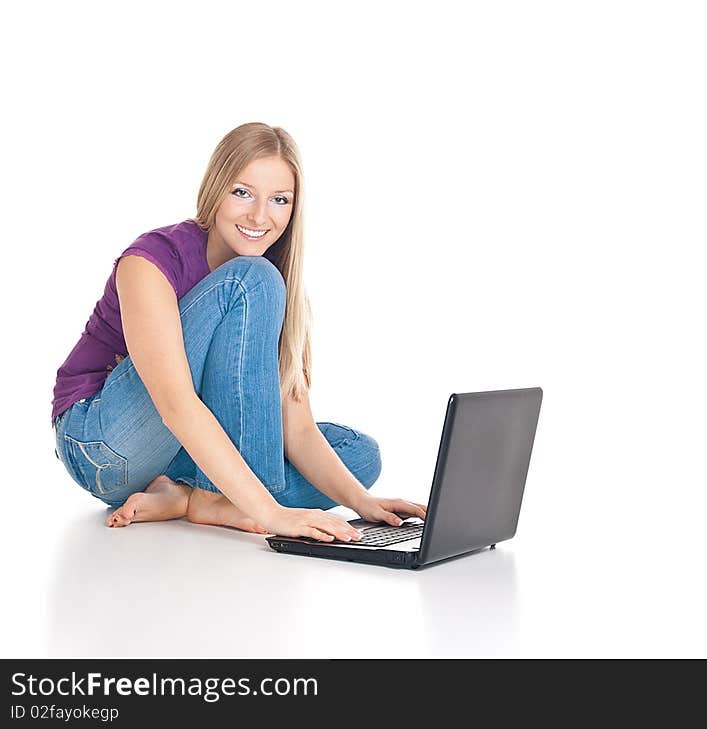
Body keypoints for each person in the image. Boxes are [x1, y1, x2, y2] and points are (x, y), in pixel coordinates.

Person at [51, 122, 426, 541]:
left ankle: (190, 494)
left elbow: (297, 430)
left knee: (360, 456)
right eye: (242, 192)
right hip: (102, 443)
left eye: (279, 199)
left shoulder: (273, 286)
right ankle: (217, 498)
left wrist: (362, 503)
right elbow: (175, 405)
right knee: (251, 280)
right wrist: (273, 514)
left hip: (176, 450)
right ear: (215, 190)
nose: (259, 216)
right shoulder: (153, 261)